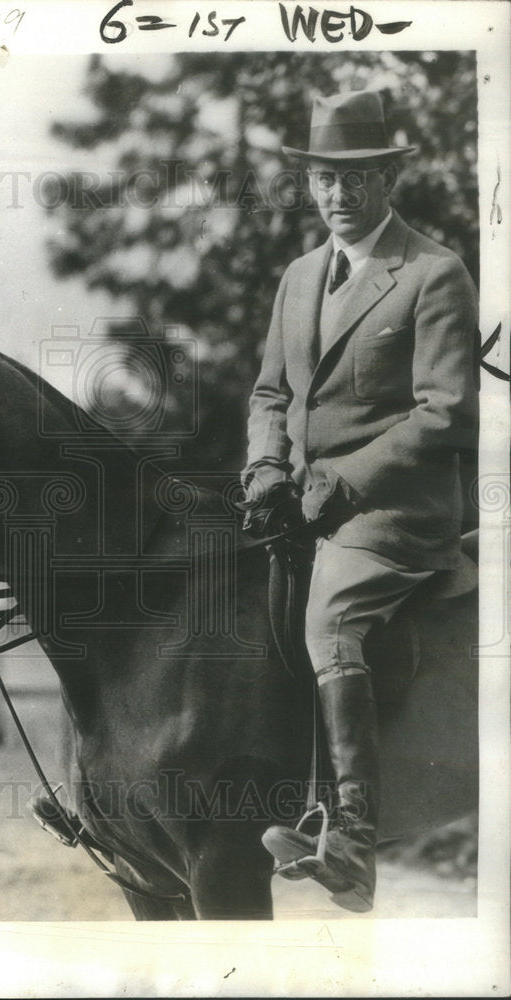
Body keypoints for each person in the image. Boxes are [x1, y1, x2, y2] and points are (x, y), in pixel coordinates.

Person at [241, 89, 479, 912]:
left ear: (387, 179)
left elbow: (445, 411)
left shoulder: (432, 272)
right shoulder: (299, 276)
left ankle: (351, 837)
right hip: (303, 498)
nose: (337, 196)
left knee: (329, 617)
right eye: (322, 181)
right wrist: (264, 473)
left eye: (355, 178)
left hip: (393, 510)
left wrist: (342, 481)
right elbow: (270, 394)